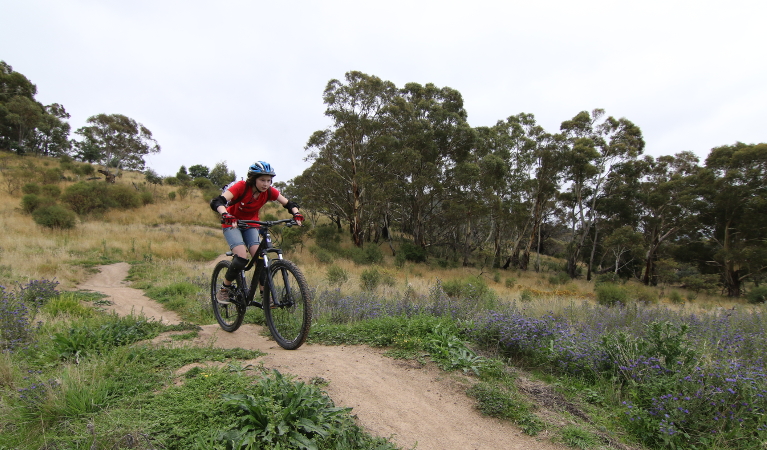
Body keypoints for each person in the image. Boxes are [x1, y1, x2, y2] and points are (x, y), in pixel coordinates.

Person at [209, 161, 303, 304]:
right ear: (253, 179)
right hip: (232, 223)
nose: (266, 184)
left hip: (251, 225)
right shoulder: (241, 187)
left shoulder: (270, 191)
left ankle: (264, 294)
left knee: (260, 259)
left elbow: (289, 204)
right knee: (241, 257)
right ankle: (224, 289)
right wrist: (225, 214)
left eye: (269, 180)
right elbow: (217, 201)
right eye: (262, 180)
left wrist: (296, 214)